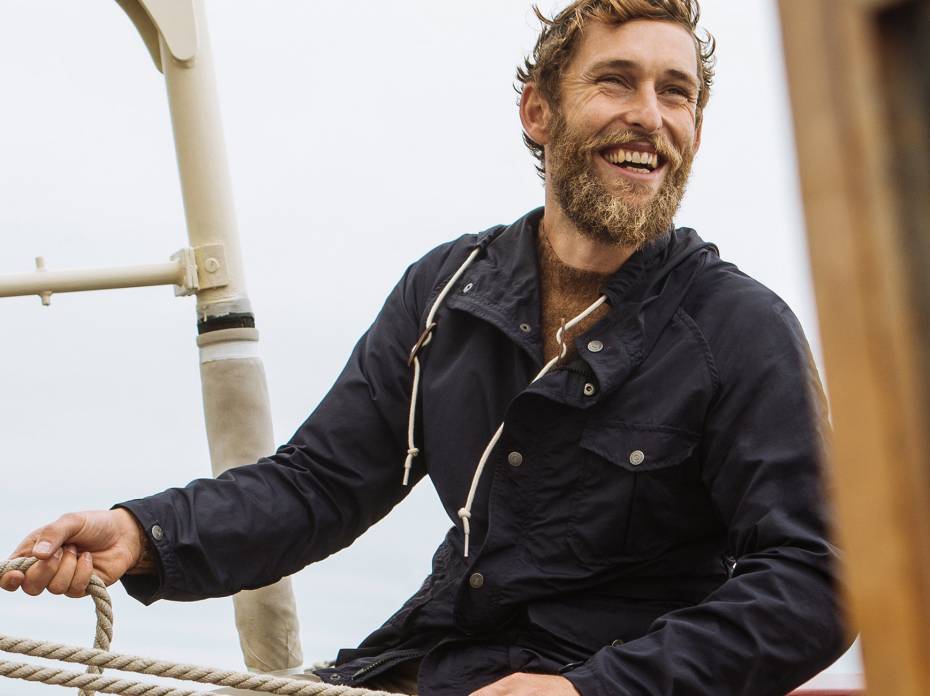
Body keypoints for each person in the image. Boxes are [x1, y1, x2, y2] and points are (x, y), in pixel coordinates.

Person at [1, 1, 850, 694]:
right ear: (539, 111)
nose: (650, 116)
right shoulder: (449, 292)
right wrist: (143, 533)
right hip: (427, 665)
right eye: (616, 80)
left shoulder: (740, 331)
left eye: (677, 92)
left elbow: (819, 579)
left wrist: (593, 691)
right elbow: (317, 485)